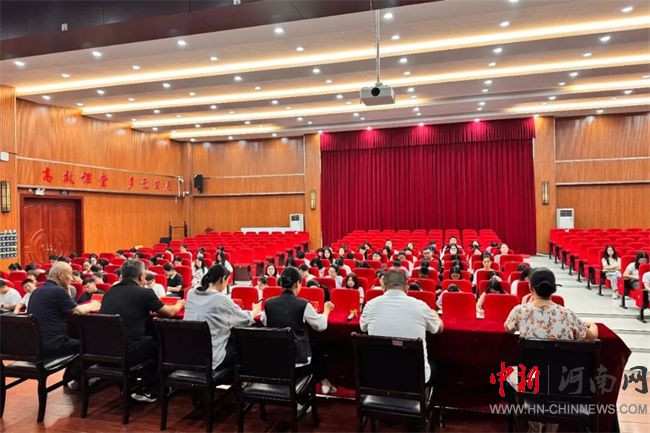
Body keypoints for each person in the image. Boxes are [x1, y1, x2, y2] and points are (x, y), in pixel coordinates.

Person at [505, 268, 598, 433]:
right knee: (554, 377)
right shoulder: (567, 314)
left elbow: (507, 328)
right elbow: (590, 337)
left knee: (509, 374)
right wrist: (594, 325)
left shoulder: (520, 311)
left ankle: (531, 423)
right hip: (563, 383)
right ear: (553, 289)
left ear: (530, 288)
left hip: (531, 382)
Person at [100, 259, 185, 402]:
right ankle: (150, 388)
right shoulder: (145, 293)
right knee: (161, 344)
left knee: (148, 336)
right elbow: (170, 312)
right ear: (141, 276)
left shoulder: (109, 292)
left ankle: (133, 385)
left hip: (105, 350)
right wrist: (180, 303)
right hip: (128, 351)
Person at [360, 269, 443, 384]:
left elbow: (363, 328)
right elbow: (438, 329)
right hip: (413, 378)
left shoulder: (370, 305)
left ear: (383, 287)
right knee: (436, 365)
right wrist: (435, 314)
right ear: (407, 288)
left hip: (378, 375)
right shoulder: (420, 306)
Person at [262, 267, 336, 394]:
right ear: (297, 284)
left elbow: (264, 321)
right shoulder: (303, 304)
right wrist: (326, 311)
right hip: (296, 363)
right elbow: (321, 326)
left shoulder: (268, 303)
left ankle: (323, 382)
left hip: (275, 359)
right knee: (315, 348)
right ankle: (321, 384)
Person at [27, 262, 101, 387]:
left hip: (35, 345)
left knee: (76, 339)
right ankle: (84, 378)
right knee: (90, 343)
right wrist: (94, 304)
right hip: (53, 345)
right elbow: (79, 311)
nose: (71, 278)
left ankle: (71, 376)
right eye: (70, 274)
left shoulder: (37, 291)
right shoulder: (57, 291)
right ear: (61, 275)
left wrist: (66, 288)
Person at [184, 264, 261, 372]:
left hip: (189, 354)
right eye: (227, 281)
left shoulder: (191, 294)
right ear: (223, 279)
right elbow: (244, 318)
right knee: (242, 341)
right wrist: (255, 311)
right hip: (211, 358)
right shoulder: (221, 299)